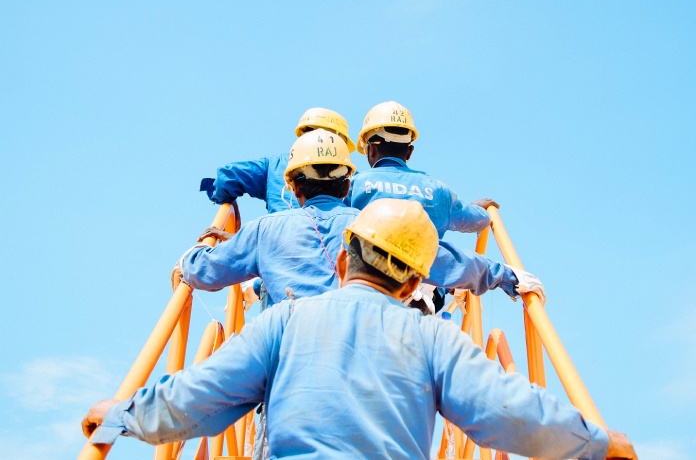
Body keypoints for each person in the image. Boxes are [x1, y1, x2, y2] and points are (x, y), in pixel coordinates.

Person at [83, 199, 636, 460]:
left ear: (344, 261)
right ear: (413, 283)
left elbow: (197, 399)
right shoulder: (435, 337)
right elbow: (507, 410)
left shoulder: (283, 322)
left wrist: (116, 419)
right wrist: (596, 443)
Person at [174, 130, 544, 310]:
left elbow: (205, 272)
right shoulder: (375, 225)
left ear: (293, 185)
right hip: (365, 365)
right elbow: (445, 259)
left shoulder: (264, 231)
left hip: (288, 372)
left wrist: (194, 254)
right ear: (347, 180)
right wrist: (506, 275)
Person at [348, 100, 494, 238]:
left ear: (371, 149)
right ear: (409, 151)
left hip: (367, 264)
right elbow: (477, 220)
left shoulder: (354, 186)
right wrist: (479, 210)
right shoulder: (438, 190)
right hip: (426, 264)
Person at [200, 107, 356, 213]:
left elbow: (226, 179)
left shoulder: (273, 166)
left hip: (276, 247)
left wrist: (228, 202)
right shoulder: (351, 177)